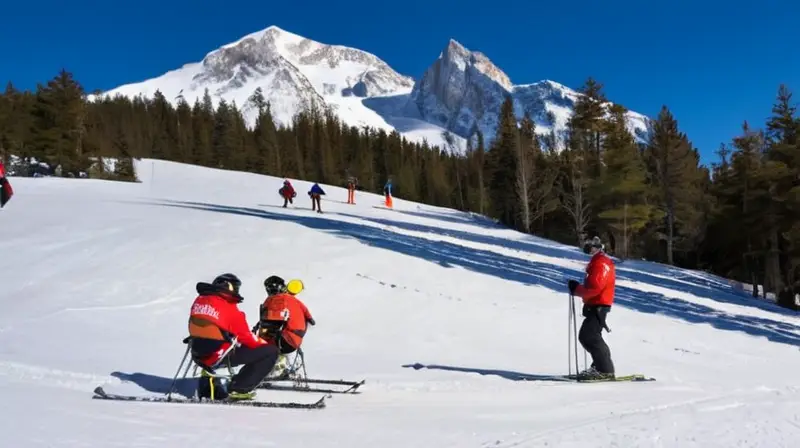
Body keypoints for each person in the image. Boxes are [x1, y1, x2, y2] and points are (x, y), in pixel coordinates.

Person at [187, 273, 279, 400]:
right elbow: (247, 338)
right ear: (227, 287)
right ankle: (239, 389)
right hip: (217, 355)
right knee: (271, 352)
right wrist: (264, 344)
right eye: (235, 287)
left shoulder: (199, 301)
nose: (236, 291)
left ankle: (209, 374)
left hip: (198, 354)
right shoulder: (229, 308)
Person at [567, 236, 616, 380]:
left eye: (590, 246)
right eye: (586, 245)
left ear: (599, 247)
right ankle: (599, 367)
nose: (587, 248)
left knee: (589, 336)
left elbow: (595, 287)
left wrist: (577, 289)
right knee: (590, 336)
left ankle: (604, 370)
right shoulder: (598, 262)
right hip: (595, 304)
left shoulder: (601, 263)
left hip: (599, 304)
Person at [258, 276, 316, 378]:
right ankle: (288, 366)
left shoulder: (272, 300)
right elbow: (308, 315)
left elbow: (271, 320)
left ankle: (273, 367)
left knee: (263, 341)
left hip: (284, 341)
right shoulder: (293, 299)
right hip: (296, 340)